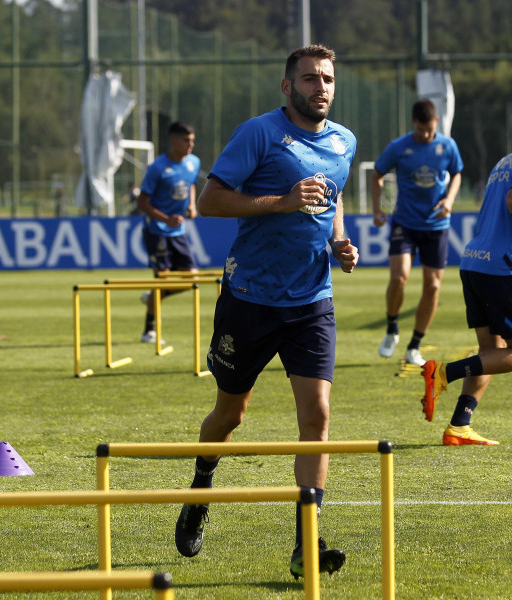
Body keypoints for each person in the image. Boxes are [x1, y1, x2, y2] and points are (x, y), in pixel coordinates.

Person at [173, 44, 359, 579]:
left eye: (326, 79)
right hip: (249, 299)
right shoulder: (259, 133)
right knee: (230, 415)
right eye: (308, 79)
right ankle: (200, 489)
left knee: (317, 416)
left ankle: (306, 542)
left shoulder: (344, 140)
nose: (319, 87)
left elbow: (334, 196)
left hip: (311, 301)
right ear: (287, 87)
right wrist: (282, 201)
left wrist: (339, 242)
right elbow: (209, 202)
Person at [420, 104, 512, 446]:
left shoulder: (506, 162)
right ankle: (443, 373)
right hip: (502, 267)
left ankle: (459, 426)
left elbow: (505, 211)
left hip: (475, 262)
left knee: (493, 350)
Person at [371, 98, 464, 366]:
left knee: (433, 286)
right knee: (399, 278)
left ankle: (414, 346)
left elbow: (457, 173)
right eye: (421, 129)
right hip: (405, 224)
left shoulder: (448, 146)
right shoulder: (399, 147)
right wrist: (377, 209)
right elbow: (376, 174)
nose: (425, 134)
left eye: (429, 128)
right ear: (414, 123)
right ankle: (391, 329)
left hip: (437, 227)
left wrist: (449, 201)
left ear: (436, 122)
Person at [136, 121, 200, 343]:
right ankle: (149, 330)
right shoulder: (157, 168)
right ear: (173, 141)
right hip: (157, 230)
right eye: (186, 140)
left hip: (177, 231)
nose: (191, 145)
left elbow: (191, 184)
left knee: (192, 279)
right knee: (162, 278)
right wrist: (166, 219)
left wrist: (192, 205)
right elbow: (142, 202)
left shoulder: (193, 162)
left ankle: (154, 295)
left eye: (192, 140)